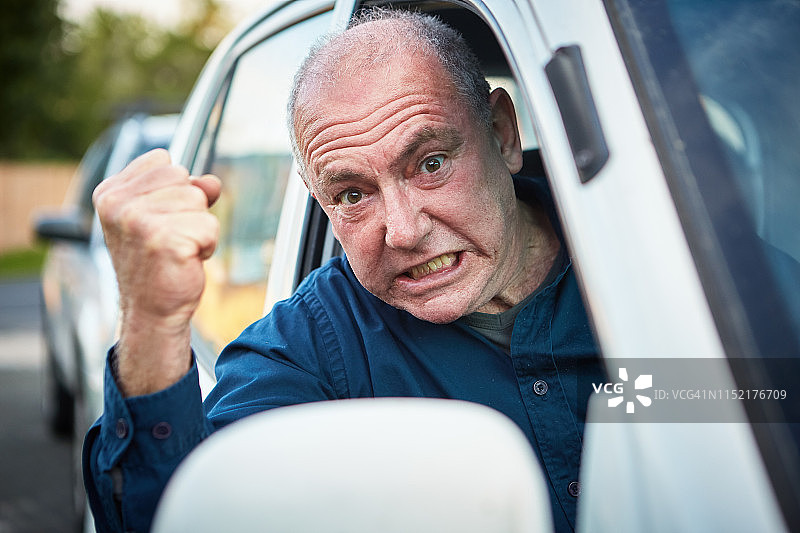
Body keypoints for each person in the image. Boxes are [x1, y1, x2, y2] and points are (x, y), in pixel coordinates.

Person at [85, 8, 604, 533]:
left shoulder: (653, 254)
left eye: (431, 163)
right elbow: (174, 515)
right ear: (322, 206)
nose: (402, 231)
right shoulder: (315, 346)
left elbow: (687, 402)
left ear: (503, 134)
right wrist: (152, 321)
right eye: (352, 194)